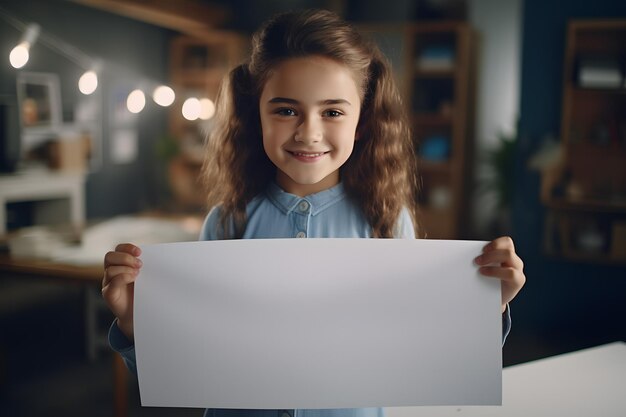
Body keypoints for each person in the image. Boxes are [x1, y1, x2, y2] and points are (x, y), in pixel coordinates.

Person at [102, 8, 526, 417]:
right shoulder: (228, 222)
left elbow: (419, 350)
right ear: (257, 116)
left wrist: (486, 303)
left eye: (333, 111)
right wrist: (136, 321)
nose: (309, 132)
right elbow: (190, 368)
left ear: (361, 121)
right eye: (286, 110)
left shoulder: (387, 221)